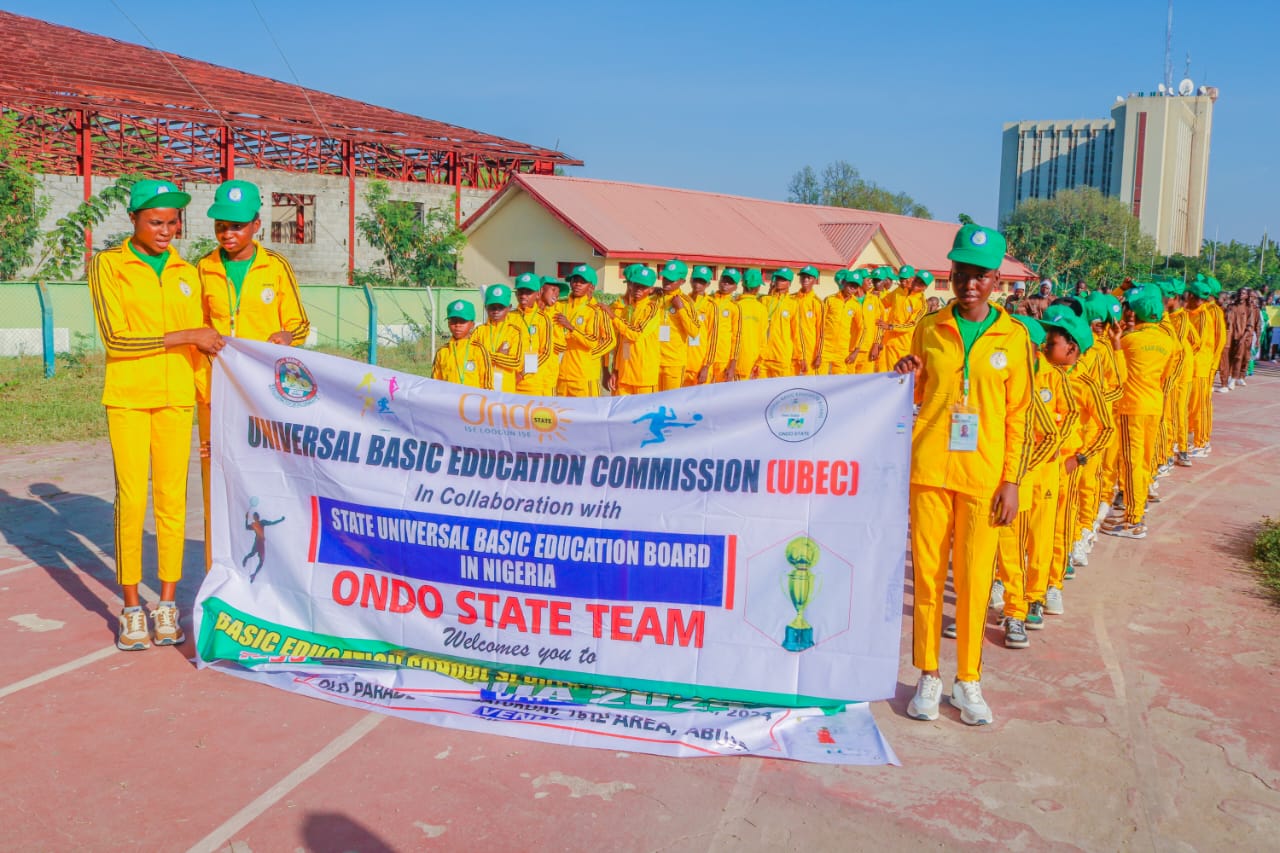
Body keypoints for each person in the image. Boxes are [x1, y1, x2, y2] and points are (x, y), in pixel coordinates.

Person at [896, 223, 1032, 726]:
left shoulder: (1015, 338)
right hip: (930, 468)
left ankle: (968, 679)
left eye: (979, 275)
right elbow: (914, 396)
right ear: (950, 273)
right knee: (929, 579)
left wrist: (1012, 480)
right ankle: (929, 674)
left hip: (984, 477)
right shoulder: (929, 328)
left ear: (997, 279)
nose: (968, 283)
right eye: (960, 273)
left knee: (974, 581)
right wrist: (904, 374)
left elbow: (1019, 416)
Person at [88, 179, 224, 650]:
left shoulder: (189, 270)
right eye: (156, 222)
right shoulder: (109, 265)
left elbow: (213, 339)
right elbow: (115, 338)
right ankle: (130, 607)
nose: (167, 230)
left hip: (176, 398)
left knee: (172, 501)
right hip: (127, 396)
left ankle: (166, 604)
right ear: (134, 220)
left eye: (173, 222)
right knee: (131, 499)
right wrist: (187, 334)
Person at [197, 179, 310, 570]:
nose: (228, 234)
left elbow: (300, 323)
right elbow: (198, 327)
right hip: (217, 394)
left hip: (264, 399)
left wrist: (286, 336)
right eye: (221, 226)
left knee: (265, 479)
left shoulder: (275, 268)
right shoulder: (204, 269)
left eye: (237, 226)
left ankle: (273, 568)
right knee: (218, 481)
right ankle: (218, 567)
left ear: (256, 225)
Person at [1103, 286, 1173, 539]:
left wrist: (1116, 344)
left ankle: (1133, 520)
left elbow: (1117, 373)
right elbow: (1165, 376)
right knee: (1143, 463)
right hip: (1154, 405)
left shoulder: (1130, 342)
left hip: (1131, 407)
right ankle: (1136, 512)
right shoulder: (1168, 341)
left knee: (1131, 464)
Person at [555, 265, 616, 396]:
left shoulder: (597, 310)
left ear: (591, 287)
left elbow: (610, 341)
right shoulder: (560, 305)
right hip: (561, 376)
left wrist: (589, 356)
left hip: (584, 377)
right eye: (575, 280)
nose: (577, 284)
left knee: (587, 415)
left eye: (582, 282)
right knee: (563, 415)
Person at [607, 265, 662, 395]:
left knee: (644, 415)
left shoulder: (652, 308)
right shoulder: (628, 309)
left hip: (644, 377)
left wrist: (614, 317)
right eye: (636, 285)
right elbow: (622, 342)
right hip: (624, 375)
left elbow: (636, 334)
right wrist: (616, 370)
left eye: (643, 287)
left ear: (650, 289)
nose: (638, 289)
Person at [473, 284, 528, 393]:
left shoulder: (515, 332)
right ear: (485, 307)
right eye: (492, 307)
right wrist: (500, 355)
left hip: (505, 389)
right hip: (482, 387)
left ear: (509, 307)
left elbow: (515, 361)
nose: (496, 311)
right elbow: (472, 358)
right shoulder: (479, 331)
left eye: (501, 307)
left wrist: (488, 355)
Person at [654, 259, 699, 391]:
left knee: (671, 404)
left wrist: (680, 310)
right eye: (665, 278)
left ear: (682, 282)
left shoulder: (686, 302)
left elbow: (694, 332)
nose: (666, 282)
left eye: (671, 279)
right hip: (653, 360)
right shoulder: (655, 298)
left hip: (674, 363)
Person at [431, 299, 492, 388]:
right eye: (453, 321)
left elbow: (487, 384)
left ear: (472, 324)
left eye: (462, 321)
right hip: (448, 400)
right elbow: (434, 383)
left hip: (473, 400)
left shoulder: (479, 350)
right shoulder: (442, 352)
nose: (457, 325)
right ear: (448, 324)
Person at [816, 270, 867, 375]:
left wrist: (856, 351)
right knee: (819, 379)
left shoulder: (856, 305)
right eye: (850, 284)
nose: (853, 288)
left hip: (842, 350)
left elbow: (863, 328)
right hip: (825, 348)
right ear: (843, 283)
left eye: (856, 286)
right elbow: (819, 324)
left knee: (840, 381)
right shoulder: (830, 300)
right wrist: (818, 350)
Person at [512, 272, 555, 395]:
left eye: (528, 292)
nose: (523, 296)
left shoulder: (543, 319)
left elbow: (545, 352)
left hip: (533, 383)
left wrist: (522, 373)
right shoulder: (510, 316)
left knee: (534, 414)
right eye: (520, 291)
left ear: (538, 293)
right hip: (511, 381)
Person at [759, 268, 800, 378]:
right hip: (763, 356)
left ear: (789, 283)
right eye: (777, 278)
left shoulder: (793, 304)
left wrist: (799, 356)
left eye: (783, 279)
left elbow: (796, 332)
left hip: (782, 355)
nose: (779, 281)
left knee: (781, 391)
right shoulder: (764, 300)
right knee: (761, 391)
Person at [705, 269, 742, 382]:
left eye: (730, 282)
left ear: (735, 287)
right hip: (705, 357)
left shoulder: (735, 307)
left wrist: (733, 363)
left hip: (723, 358)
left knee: (720, 394)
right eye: (724, 280)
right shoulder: (708, 302)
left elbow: (737, 336)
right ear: (719, 281)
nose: (726, 284)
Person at [684, 266, 718, 385]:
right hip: (682, 364)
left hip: (700, 365)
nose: (698, 285)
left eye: (702, 282)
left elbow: (713, 338)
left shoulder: (711, 306)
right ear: (691, 280)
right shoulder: (684, 301)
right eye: (696, 280)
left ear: (708, 284)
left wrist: (706, 366)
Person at [735, 269, 767, 379]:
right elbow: (763, 338)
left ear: (742, 284)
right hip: (754, 360)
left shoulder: (735, 306)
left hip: (735, 360)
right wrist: (759, 362)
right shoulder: (762, 309)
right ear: (758, 287)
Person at [793, 265, 822, 376]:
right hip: (792, 347)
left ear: (815, 280)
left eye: (809, 277)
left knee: (808, 382)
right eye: (803, 277)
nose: (805, 280)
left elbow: (821, 332)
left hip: (810, 349)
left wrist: (819, 354)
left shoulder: (817, 303)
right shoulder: (792, 299)